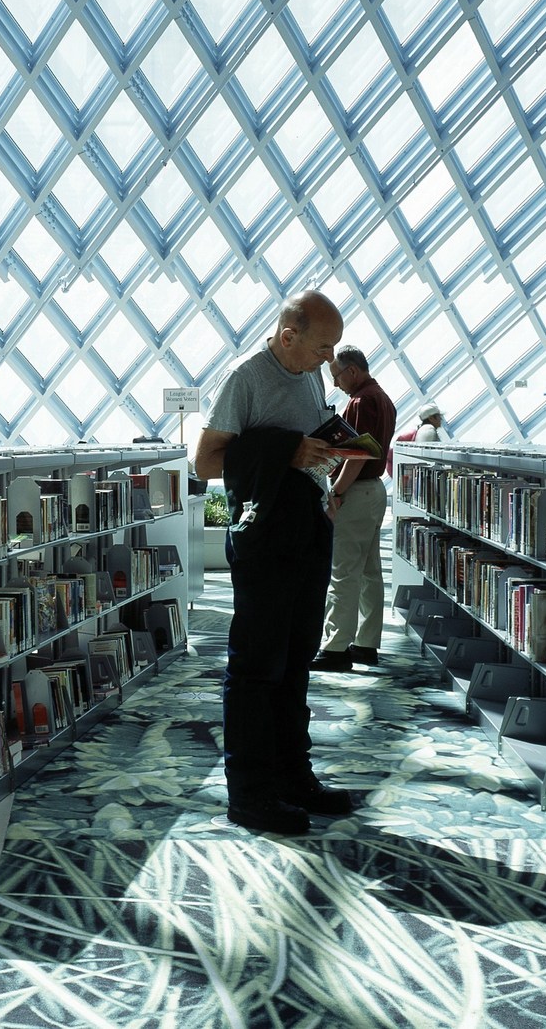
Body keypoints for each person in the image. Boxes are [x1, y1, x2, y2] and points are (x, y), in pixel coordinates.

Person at [195, 291, 352, 836]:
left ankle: (292, 775)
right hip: (263, 536)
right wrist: (287, 449)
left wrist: (326, 468)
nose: (329, 360)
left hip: (308, 526)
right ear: (289, 336)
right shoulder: (246, 378)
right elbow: (206, 461)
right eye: (322, 348)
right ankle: (250, 793)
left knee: (297, 658)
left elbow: (307, 441)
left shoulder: (309, 374)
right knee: (258, 666)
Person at [309, 346, 397, 676]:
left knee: (343, 571)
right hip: (375, 490)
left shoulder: (361, 401)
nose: (336, 384)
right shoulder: (384, 398)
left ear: (352, 371)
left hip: (356, 492)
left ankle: (335, 647)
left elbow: (355, 454)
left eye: (336, 377)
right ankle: (366, 642)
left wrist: (336, 492)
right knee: (369, 570)